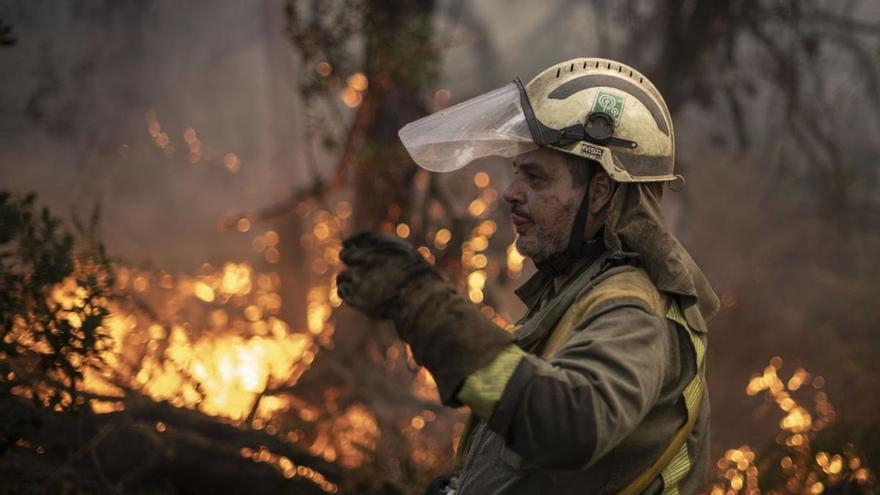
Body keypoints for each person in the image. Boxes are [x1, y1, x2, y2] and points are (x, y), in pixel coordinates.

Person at [336, 58, 720, 495]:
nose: (511, 193)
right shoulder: (577, 291)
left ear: (599, 193)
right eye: (518, 173)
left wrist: (421, 305)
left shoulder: (632, 311)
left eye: (535, 178)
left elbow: (569, 425)